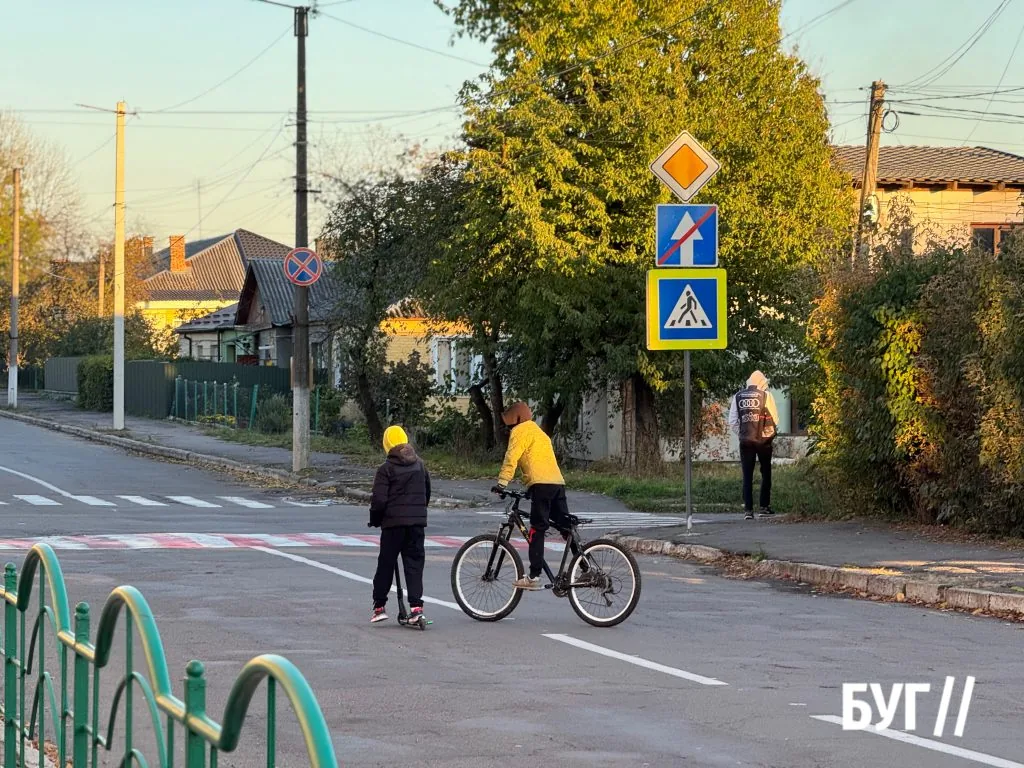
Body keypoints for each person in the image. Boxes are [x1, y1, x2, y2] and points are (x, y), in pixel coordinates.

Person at [491, 402, 570, 590]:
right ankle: (584, 566)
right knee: (565, 528)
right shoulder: (540, 433)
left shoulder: (519, 431)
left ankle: (533, 576)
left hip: (541, 486)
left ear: (516, 418)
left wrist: (502, 483)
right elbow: (541, 462)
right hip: (557, 484)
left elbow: (512, 458)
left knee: (537, 528)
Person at [367, 425, 430, 623]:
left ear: (387, 444)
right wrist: (419, 512)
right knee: (414, 564)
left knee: (386, 564)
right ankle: (416, 607)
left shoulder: (386, 469)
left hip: (393, 525)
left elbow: (379, 501)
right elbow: (426, 492)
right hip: (416, 524)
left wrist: (375, 520)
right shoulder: (420, 465)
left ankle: (379, 606)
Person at [728, 370, 779, 520]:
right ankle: (764, 507)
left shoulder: (738, 396)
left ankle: (748, 510)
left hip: (745, 441)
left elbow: (732, 421)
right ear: (762, 382)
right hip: (763, 441)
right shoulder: (766, 396)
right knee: (766, 472)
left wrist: (743, 433)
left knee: (747, 475)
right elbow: (775, 419)